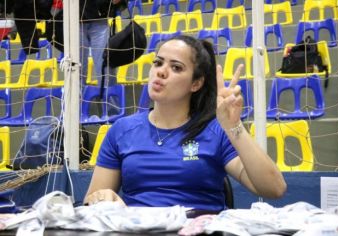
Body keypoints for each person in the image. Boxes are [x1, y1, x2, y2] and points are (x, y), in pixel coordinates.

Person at [84, 35, 287, 212]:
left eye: (176, 67)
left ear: (196, 83)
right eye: (158, 63)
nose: (161, 72)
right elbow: (91, 202)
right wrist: (102, 199)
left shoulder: (216, 130)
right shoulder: (121, 130)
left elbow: (274, 188)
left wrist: (234, 126)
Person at [80, 0, 126, 87]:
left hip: (100, 17)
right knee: (75, 68)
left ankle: (108, 98)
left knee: (106, 66)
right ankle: (76, 100)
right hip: (73, 19)